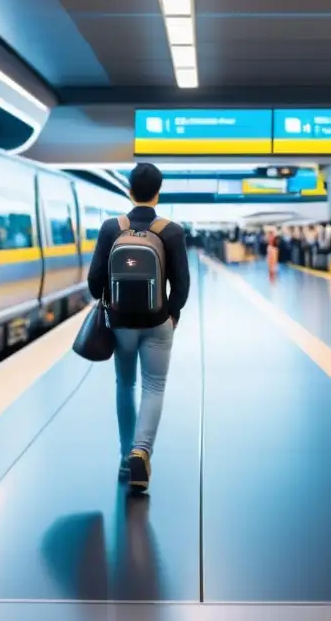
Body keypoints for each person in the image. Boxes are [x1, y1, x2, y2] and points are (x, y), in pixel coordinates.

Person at [87, 163, 190, 491]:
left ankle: (123, 459)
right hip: (157, 322)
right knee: (154, 386)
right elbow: (182, 286)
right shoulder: (171, 230)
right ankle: (141, 451)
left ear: (129, 191)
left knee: (125, 384)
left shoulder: (110, 228)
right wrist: (171, 315)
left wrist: (111, 306)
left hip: (120, 324)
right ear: (158, 192)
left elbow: (93, 282)